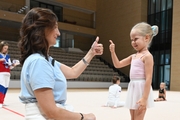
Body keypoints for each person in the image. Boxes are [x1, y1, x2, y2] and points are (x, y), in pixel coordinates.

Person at [18, 7, 103, 120]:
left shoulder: (46, 60)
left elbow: (73, 72)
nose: (58, 33)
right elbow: (52, 112)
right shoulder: (38, 62)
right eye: (55, 27)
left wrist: (91, 53)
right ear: (42, 29)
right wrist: (83, 117)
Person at [109, 22, 158, 120]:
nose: (133, 42)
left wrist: (144, 98)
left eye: (136, 39)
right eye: (132, 40)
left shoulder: (147, 56)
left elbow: (148, 78)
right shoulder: (133, 56)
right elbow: (117, 64)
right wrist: (113, 52)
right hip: (133, 87)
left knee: (138, 118)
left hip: (141, 89)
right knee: (133, 118)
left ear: (146, 38)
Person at [0, 41, 19, 108]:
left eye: (7, 48)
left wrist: (14, 65)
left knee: (5, 88)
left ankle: (2, 101)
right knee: (1, 87)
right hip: (1, 73)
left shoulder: (8, 56)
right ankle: (0, 102)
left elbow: (9, 66)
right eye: (4, 48)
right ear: (1, 48)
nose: (6, 49)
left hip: (7, 73)